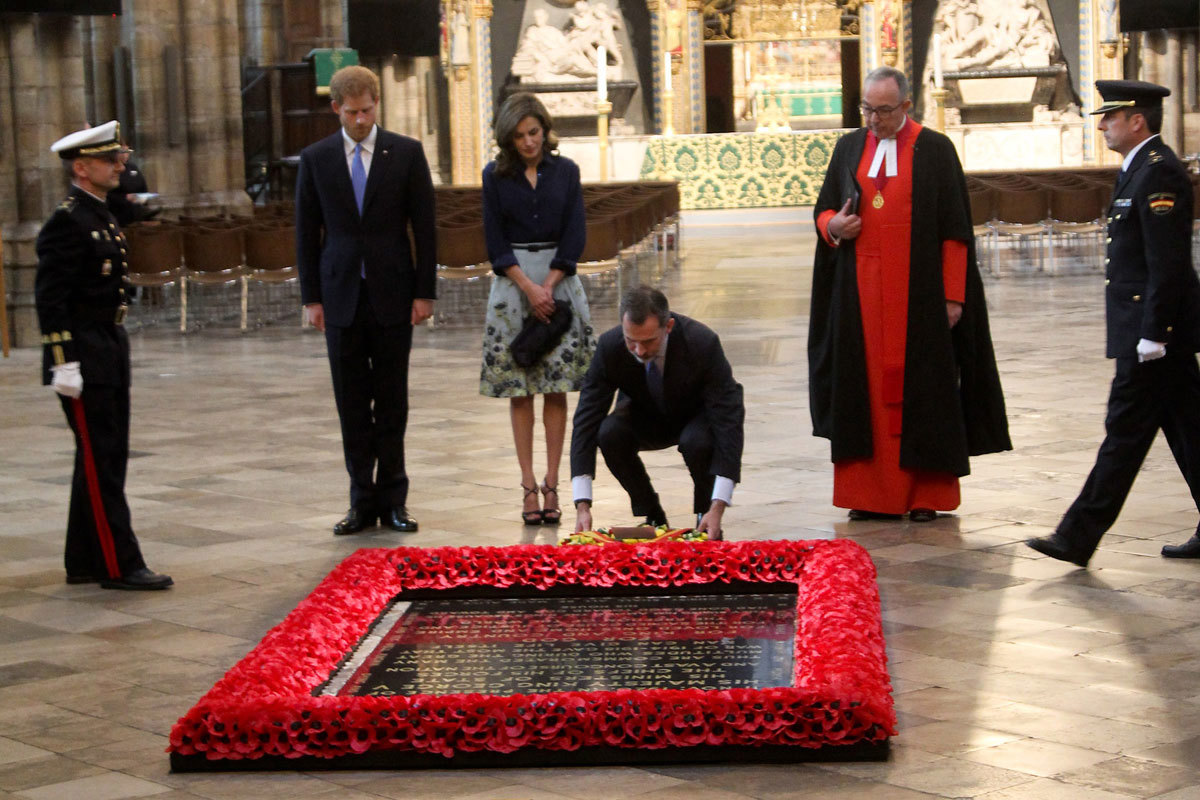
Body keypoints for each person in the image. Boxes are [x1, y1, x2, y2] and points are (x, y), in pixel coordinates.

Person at [808, 66, 1010, 523]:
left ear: (906, 106)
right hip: (858, 297)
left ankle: (924, 495)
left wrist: (953, 297)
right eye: (867, 109)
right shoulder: (848, 147)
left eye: (883, 110)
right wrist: (834, 227)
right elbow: (823, 211)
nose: (874, 119)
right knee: (863, 393)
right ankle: (868, 494)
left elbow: (956, 231)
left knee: (924, 393)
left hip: (919, 296)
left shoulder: (936, 150)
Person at [1027, 80, 1200, 566]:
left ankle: (1076, 537)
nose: (1103, 124)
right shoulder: (1139, 169)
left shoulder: (1157, 172)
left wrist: (1153, 334)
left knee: (1124, 431)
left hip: (1153, 334)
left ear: (1136, 120)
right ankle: (1077, 536)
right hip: (1152, 331)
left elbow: (1166, 264)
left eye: (1111, 116)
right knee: (1191, 430)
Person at [296, 65, 437, 536]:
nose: (361, 120)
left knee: (392, 401)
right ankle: (361, 501)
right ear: (336, 108)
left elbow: (425, 228)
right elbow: (305, 233)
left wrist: (424, 292)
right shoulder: (316, 159)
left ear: (378, 105)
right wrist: (311, 297)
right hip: (340, 296)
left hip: (394, 292)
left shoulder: (406, 153)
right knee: (351, 403)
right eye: (352, 112)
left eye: (368, 110)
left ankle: (395, 499)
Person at [34, 120, 172, 590]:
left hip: (108, 345)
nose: (120, 165)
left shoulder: (99, 212)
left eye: (118, 157)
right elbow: (50, 299)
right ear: (80, 167)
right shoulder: (67, 222)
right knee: (102, 460)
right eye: (108, 159)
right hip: (83, 353)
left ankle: (83, 559)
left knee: (101, 457)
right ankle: (120, 563)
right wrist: (63, 360)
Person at [480, 92, 594, 526]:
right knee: (520, 389)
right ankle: (527, 485)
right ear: (508, 138)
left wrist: (548, 285)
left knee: (556, 387)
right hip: (514, 286)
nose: (528, 142)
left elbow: (575, 232)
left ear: (545, 130)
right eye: (519, 135)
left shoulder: (566, 172)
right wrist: (528, 287)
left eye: (534, 132)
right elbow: (494, 239)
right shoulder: (495, 176)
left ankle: (552, 482)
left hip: (558, 281)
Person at [571, 285, 744, 538]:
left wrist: (719, 506)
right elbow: (585, 420)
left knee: (697, 442)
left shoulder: (701, 342)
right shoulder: (610, 347)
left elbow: (729, 422)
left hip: (696, 418)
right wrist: (582, 505)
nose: (640, 351)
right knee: (609, 433)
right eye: (632, 341)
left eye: (649, 342)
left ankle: (705, 516)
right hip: (645, 415)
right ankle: (651, 514)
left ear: (669, 326)